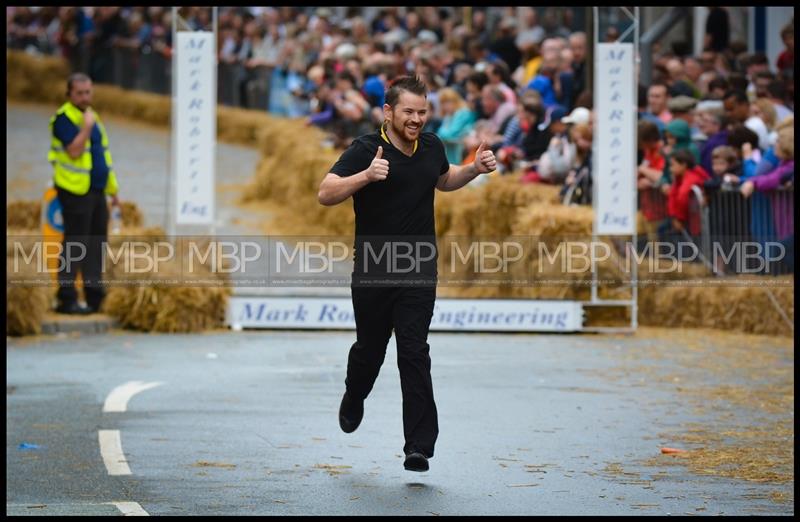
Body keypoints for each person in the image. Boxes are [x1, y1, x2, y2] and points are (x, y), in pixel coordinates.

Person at [317, 76, 497, 473]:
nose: (416, 119)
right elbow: (325, 192)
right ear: (388, 112)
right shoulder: (366, 149)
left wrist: (473, 170)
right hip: (374, 268)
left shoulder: (431, 145)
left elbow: (442, 179)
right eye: (409, 112)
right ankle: (354, 393)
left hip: (418, 267)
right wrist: (365, 176)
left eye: (422, 112)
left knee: (414, 351)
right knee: (370, 349)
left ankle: (418, 446)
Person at [49, 72, 120, 314]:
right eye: (79, 93)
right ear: (69, 94)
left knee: (96, 245)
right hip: (74, 190)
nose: (84, 97)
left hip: (96, 190)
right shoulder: (64, 119)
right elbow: (74, 151)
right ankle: (66, 297)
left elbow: (103, 156)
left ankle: (94, 296)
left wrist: (113, 190)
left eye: (88, 92)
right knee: (74, 244)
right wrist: (87, 128)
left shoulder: (93, 117)